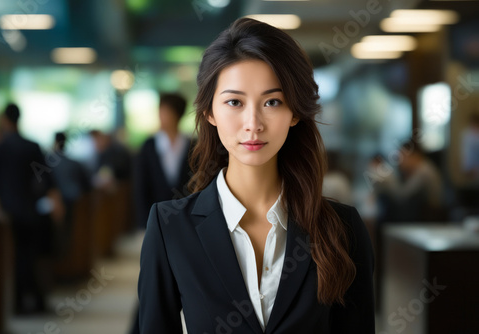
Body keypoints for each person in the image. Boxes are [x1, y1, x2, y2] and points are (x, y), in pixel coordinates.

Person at [138, 18, 374, 333]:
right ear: (210, 112)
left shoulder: (342, 229)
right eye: (234, 102)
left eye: (272, 102)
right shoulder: (170, 228)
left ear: (294, 113)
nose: (253, 123)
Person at [0, 103, 64, 314]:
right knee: (33, 257)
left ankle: (17, 303)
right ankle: (37, 301)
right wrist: (56, 204)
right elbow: (47, 180)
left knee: (14, 258)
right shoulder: (31, 146)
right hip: (31, 210)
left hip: (9, 212)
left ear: (4, 120)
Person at [134, 93, 195, 229]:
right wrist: (143, 221)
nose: (161, 117)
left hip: (185, 217)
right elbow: (141, 185)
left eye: (166, 112)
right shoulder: (149, 145)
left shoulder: (192, 146)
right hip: (155, 215)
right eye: (160, 112)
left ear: (177, 115)